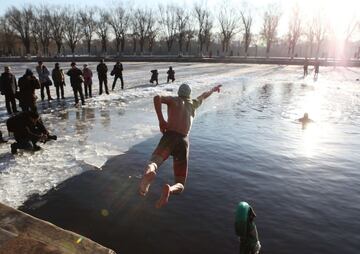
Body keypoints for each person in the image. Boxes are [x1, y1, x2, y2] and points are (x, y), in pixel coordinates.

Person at [139, 83, 222, 208]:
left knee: (154, 163)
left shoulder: (174, 100)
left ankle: (149, 173)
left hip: (169, 137)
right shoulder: (193, 103)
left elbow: (157, 97)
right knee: (180, 183)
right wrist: (214, 89)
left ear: (179, 93)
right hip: (183, 141)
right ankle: (170, 190)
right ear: (189, 94)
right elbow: (204, 95)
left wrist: (161, 120)